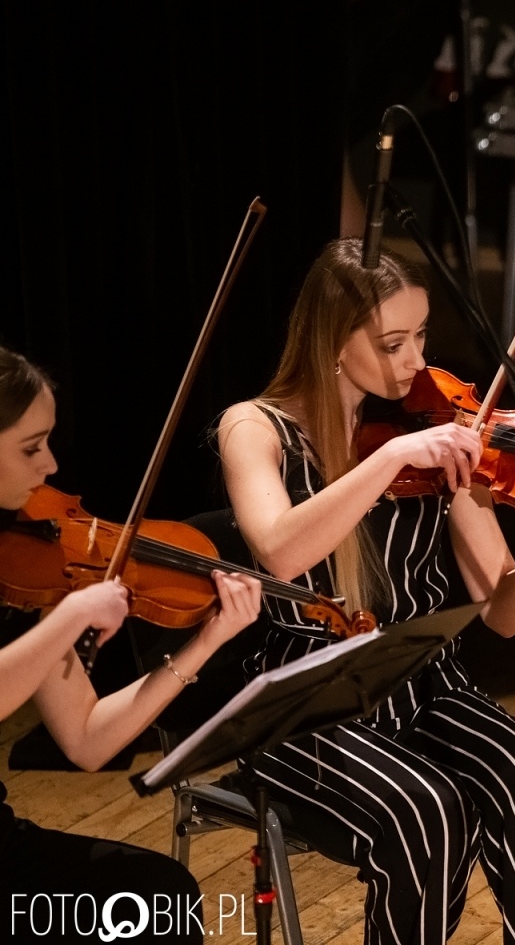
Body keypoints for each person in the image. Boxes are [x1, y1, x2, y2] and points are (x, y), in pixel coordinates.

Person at [214, 239, 515, 945]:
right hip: (307, 698)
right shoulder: (255, 429)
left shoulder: (433, 425)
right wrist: (390, 460)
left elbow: (502, 610)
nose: (416, 362)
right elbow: (280, 549)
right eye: (393, 342)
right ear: (331, 340)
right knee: (428, 812)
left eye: (423, 336)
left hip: (420, 678)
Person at [0, 345, 263, 944]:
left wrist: (204, 643)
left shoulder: (23, 565)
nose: (50, 464)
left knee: (158, 895)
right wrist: (67, 621)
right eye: (29, 446)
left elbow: (89, 737)